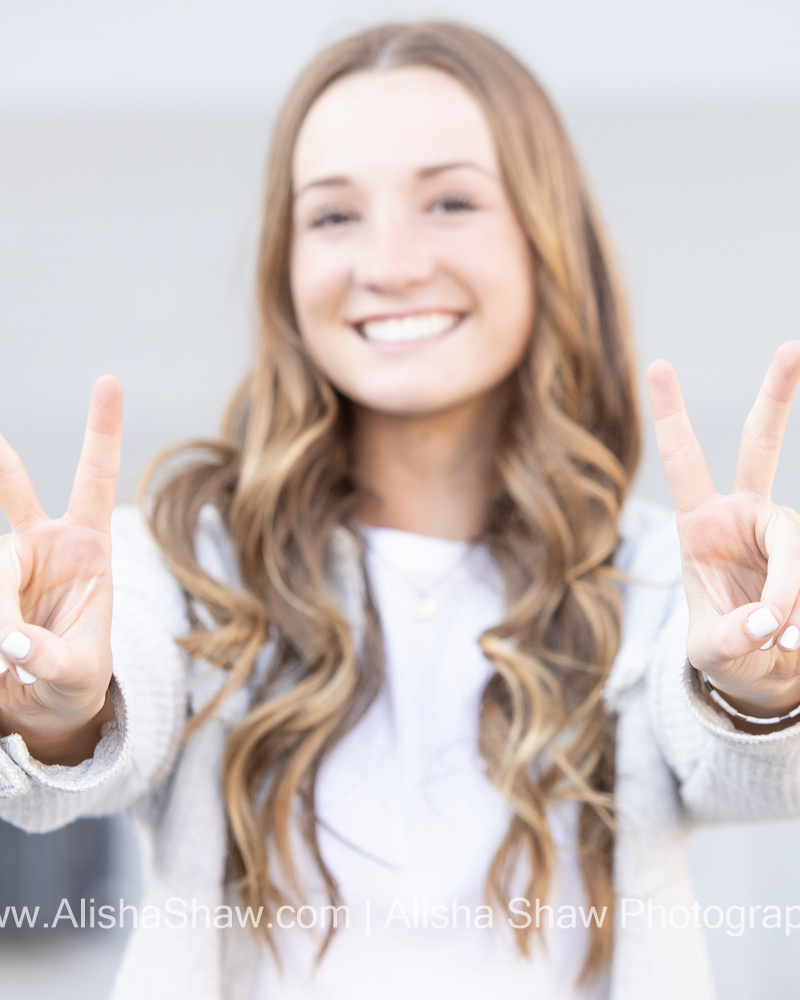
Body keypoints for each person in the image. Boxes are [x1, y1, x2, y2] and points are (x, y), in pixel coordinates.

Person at [1, 20, 800, 1000]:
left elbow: (750, 772)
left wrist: (758, 682)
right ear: (285, 269)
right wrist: (60, 709)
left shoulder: (647, 579)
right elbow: (81, 746)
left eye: (450, 201)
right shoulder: (178, 562)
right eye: (332, 217)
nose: (388, 262)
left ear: (548, 241)